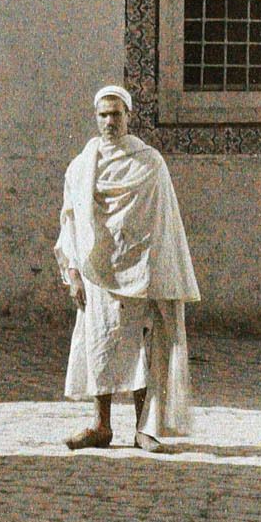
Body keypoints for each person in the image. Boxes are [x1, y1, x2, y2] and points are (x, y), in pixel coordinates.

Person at [55, 83, 200, 451]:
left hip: (139, 270)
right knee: (99, 342)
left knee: (140, 347)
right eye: (103, 114)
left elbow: (163, 222)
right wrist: (73, 271)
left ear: (128, 116)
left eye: (116, 114)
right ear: (95, 117)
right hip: (96, 269)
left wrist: (158, 272)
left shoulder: (149, 162)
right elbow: (70, 221)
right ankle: (100, 426)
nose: (109, 121)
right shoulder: (81, 166)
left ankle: (142, 429)